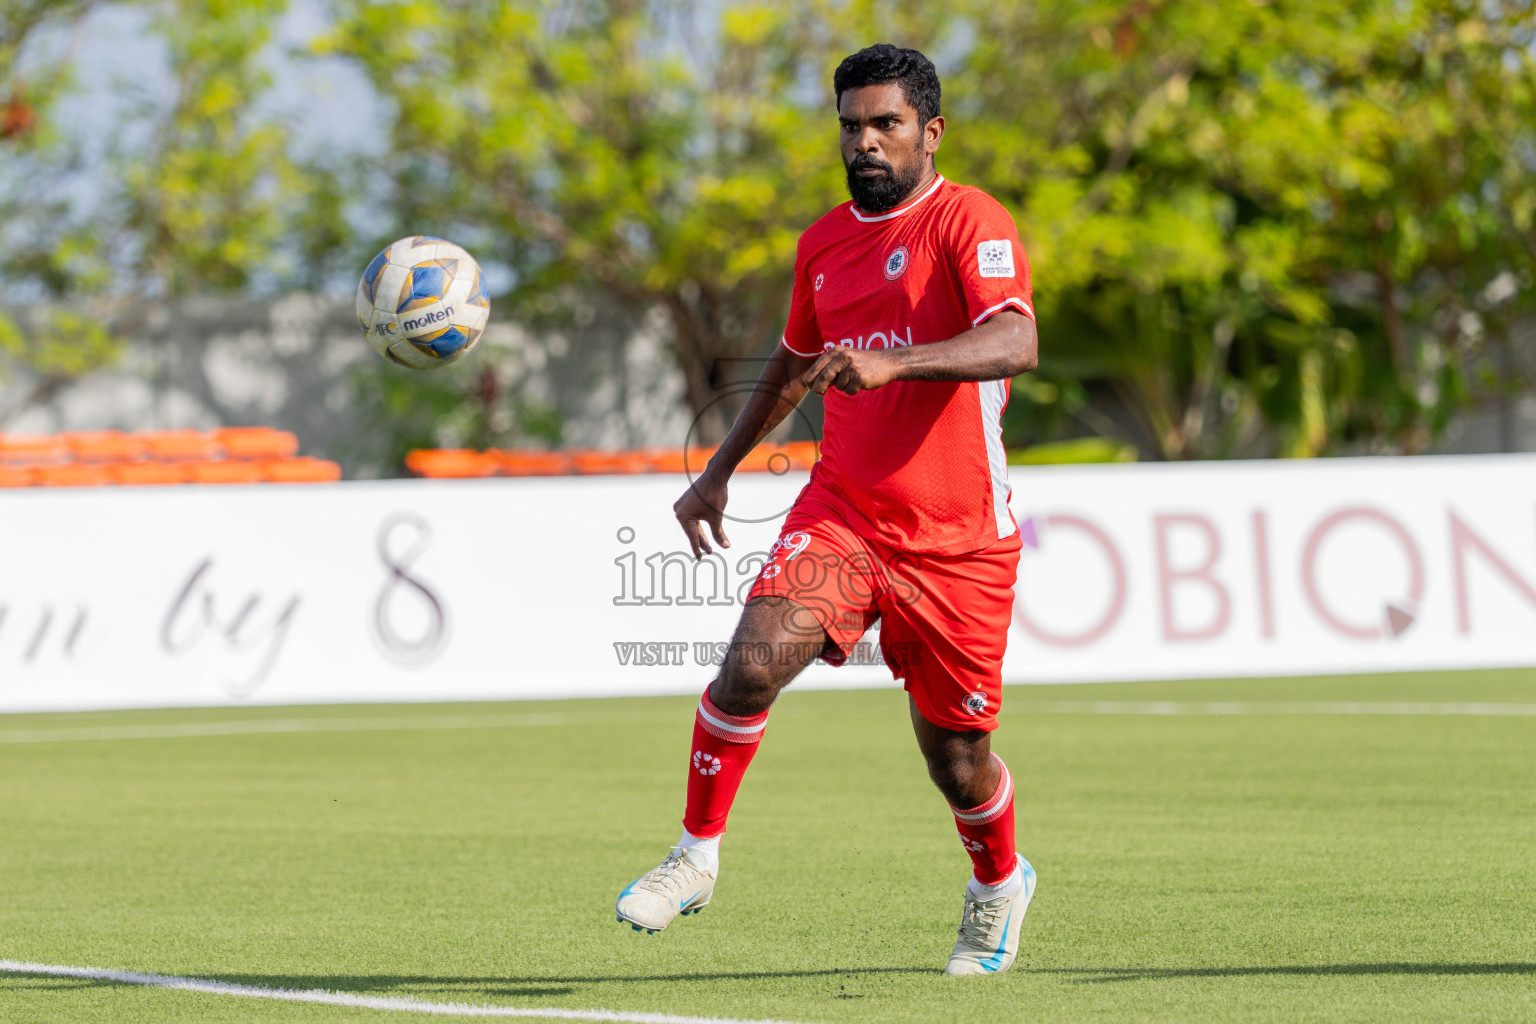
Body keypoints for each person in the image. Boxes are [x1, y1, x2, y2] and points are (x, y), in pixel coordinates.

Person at [615, 42, 1039, 976]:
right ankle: (696, 853)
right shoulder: (821, 244)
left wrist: (896, 362)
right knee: (750, 663)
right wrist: (718, 470)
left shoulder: (971, 221)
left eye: (885, 124)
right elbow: (788, 366)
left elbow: (1015, 338)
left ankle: (998, 884)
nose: (865, 143)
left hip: (960, 542)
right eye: (851, 126)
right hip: (842, 514)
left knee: (958, 760)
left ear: (930, 133)